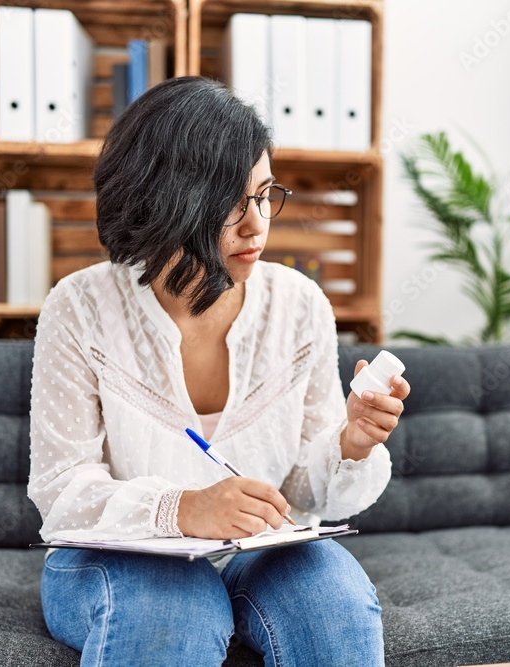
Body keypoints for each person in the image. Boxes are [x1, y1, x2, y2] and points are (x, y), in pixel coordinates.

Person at [27, 75, 411, 667]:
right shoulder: (79, 308)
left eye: (263, 195)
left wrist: (350, 443)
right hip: (120, 555)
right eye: (230, 203)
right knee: (174, 605)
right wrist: (182, 509)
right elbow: (61, 490)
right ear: (163, 198)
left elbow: (307, 494)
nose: (257, 225)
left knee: (331, 601)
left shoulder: (300, 306)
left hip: (259, 553)